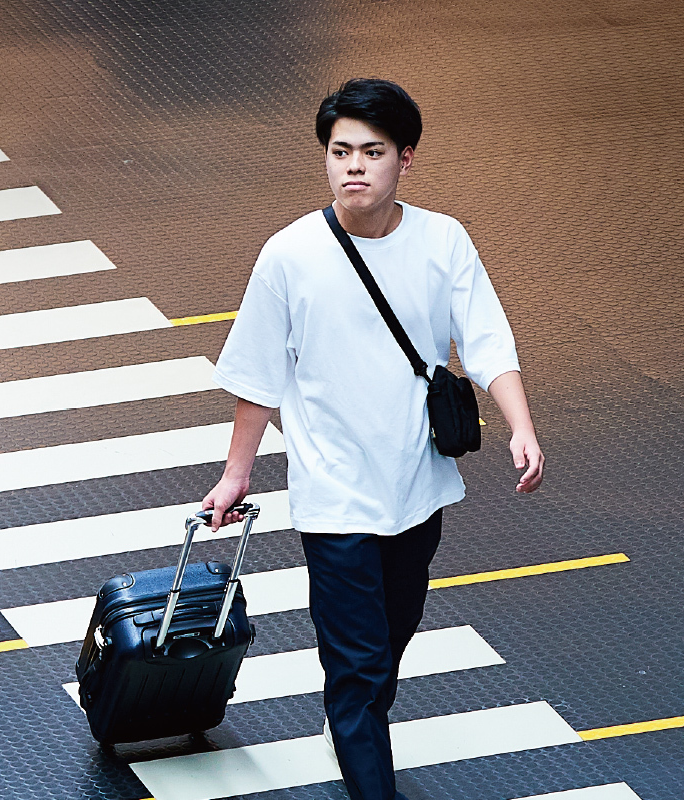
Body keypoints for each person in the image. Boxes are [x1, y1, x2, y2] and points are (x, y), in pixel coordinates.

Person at [202, 78, 544, 800]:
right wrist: (237, 475)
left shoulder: (442, 239)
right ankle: (362, 758)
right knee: (356, 668)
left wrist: (522, 426)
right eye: (340, 152)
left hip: (417, 487)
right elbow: (258, 376)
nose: (353, 166)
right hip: (332, 496)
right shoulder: (290, 255)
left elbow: (485, 340)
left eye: (372, 152)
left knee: (391, 636)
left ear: (405, 160)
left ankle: (354, 721)